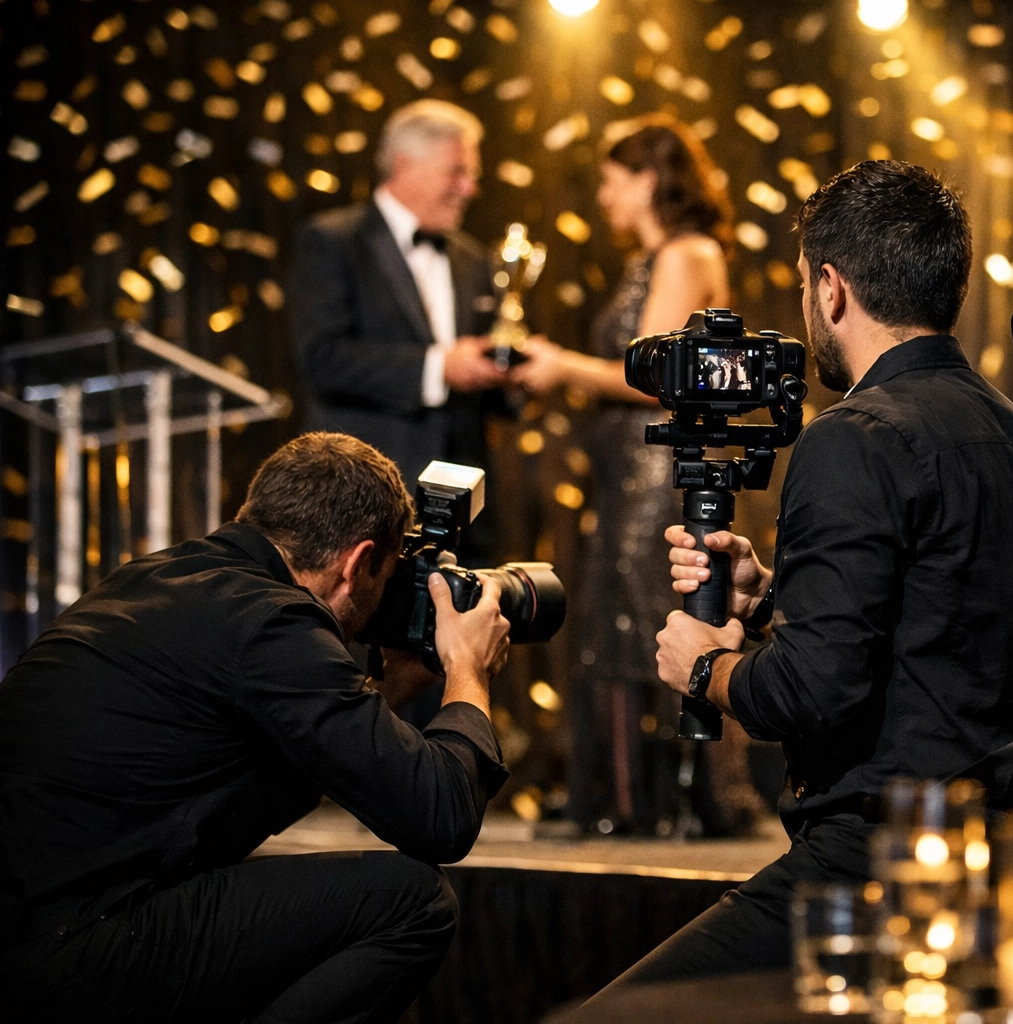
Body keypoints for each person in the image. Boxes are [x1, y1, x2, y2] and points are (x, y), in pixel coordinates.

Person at [592, 159, 1013, 991]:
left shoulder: (851, 436)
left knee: (626, 1011)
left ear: (830, 286)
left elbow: (812, 694)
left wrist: (705, 669)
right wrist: (775, 594)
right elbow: (941, 626)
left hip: (881, 862)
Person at [0, 433, 513, 1023]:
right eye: (388, 574)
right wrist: (467, 670)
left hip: (36, 928)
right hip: (70, 949)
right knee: (413, 902)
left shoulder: (157, 578)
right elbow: (440, 817)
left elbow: (257, 774)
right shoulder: (274, 622)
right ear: (358, 562)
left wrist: (393, 689)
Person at [508, 116, 748, 835]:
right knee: (619, 626)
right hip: (628, 471)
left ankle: (652, 800)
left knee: (641, 624)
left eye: (612, 181)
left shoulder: (683, 253)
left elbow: (659, 378)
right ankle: (628, 795)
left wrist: (558, 365)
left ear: (646, 180)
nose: (604, 197)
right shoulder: (661, 257)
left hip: (656, 471)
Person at [291, 99, 507, 490]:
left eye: (472, 174)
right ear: (406, 165)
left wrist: (512, 372)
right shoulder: (332, 241)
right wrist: (438, 368)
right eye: (457, 172)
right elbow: (323, 359)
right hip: (362, 491)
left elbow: (490, 392)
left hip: (466, 491)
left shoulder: (474, 258)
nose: (470, 188)